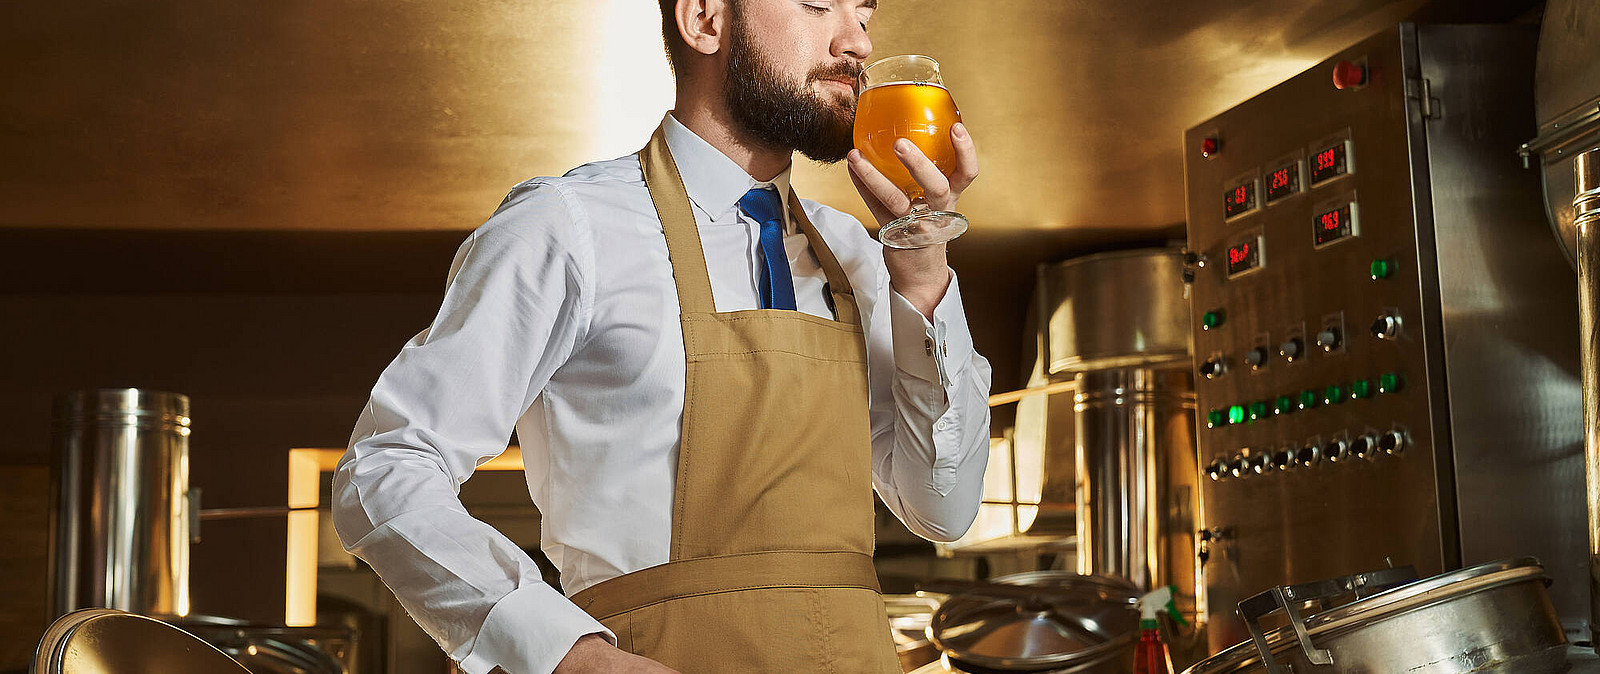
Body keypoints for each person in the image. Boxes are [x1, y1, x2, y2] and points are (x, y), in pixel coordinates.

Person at [330, 0, 992, 672]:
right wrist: (572, 655)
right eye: (818, 3)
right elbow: (385, 466)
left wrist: (921, 275)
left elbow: (942, 507)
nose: (856, 42)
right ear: (704, 19)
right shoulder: (569, 229)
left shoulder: (859, 255)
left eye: (865, 12)